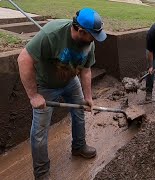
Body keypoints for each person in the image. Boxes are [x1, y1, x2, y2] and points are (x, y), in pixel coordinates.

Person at [17, 8, 107, 179]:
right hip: (46, 85)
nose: (95, 39)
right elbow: (24, 59)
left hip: (71, 81)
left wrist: (88, 97)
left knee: (80, 111)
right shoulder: (52, 34)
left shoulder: (89, 43)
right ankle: (42, 172)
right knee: (40, 131)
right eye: (93, 36)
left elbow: (86, 69)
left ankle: (79, 146)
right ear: (81, 31)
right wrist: (33, 96)